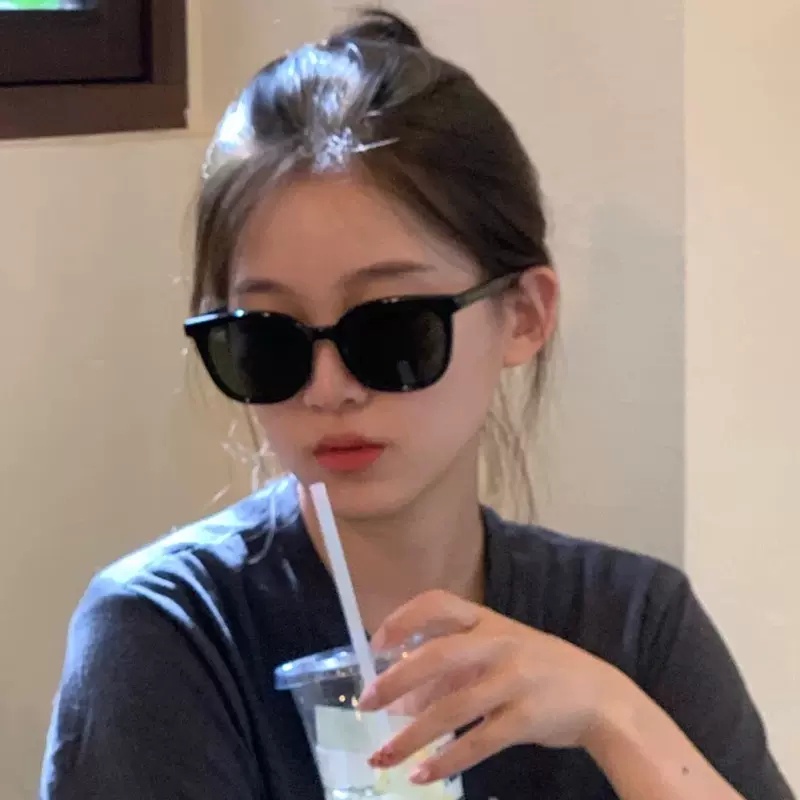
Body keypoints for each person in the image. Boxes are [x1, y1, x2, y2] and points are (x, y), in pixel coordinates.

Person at [41, 9, 793, 800]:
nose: (328, 388)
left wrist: (615, 718)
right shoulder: (171, 631)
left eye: (390, 328)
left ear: (524, 316)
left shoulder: (635, 623)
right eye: (267, 340)